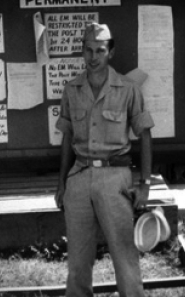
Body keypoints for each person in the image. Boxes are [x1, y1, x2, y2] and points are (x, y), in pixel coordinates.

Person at [55, 22, 154, 297]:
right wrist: (62, 182)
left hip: (115, 179)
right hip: (79, 177)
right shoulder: (71, 89)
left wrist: (145, 184)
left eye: (100, 50)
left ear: (111, 52)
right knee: (77, 261)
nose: (93, 57)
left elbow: (145, 135)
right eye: (88, 50)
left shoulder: (127, 89)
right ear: (82, 52)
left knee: (125, 257)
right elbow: (66, 139)